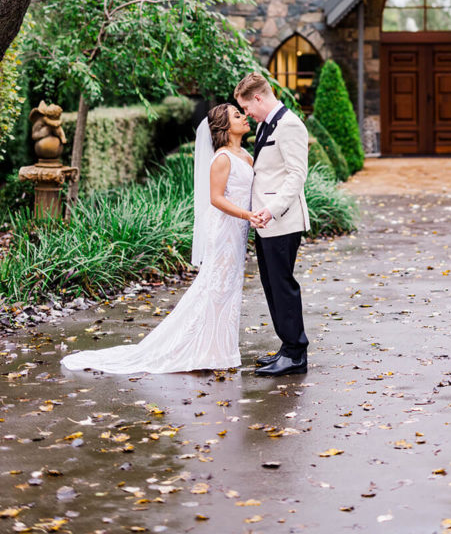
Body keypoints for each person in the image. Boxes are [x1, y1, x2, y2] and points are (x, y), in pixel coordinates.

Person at [61, 104, 261, 374]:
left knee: (230, 289)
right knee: (215, 289)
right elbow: (216, 199)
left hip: (238, 233)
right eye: (237, 115)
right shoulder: (222, 158)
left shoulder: (246, 157)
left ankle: (221, 349)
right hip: (224, 232)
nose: (244, 117)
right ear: (224, 127)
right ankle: (204, 349)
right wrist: (246, 213)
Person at [234, 72, 310, 377]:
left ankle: (296, 355)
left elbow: (296, 176)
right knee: (271, 286)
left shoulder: (290, 125)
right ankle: (287, 347)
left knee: (283, 287)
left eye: (247, 107)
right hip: (266, 222)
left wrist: (271, 210)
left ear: (258, 98)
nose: (247, 114)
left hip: (282, 221)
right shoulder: (268, 124)